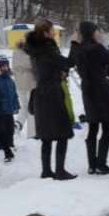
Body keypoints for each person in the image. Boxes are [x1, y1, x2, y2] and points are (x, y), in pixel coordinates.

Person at [24, 20, 78, 180]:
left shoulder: (36, 49)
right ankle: (60, 171)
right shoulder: (47, 48)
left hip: (41, 93)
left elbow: (48, 67)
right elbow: (69, 63)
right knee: (62, 134)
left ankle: (46, 171)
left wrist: (58, 72)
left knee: (46, 137)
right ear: (46, 33)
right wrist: (74, 43)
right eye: (52, 30)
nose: (54, 33)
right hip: (52, 95)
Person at [70, 21, 109, 175]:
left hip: (87, 90)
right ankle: (101, 163)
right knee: (106, 128)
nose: (99, 33)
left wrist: (74, 42)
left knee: (93, 128)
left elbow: (71, 60)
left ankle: (92, 165)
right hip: (100, 90)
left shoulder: (79, 49)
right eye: (96, 31)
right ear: (91, 32)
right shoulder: (96, 48)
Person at [0, 54, 20, 162]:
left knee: (10, 128)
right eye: (2, 66)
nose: (4, 68)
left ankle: (10, 143)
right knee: (1, 129)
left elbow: (14, 94)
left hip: (9, 110)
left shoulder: (10, 80)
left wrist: (16, 105)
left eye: (6, 65)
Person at [12, 39, 37, 140]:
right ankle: (32, 133)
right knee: (32, 107)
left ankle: (17, 125)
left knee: (25, 107)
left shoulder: (15, 52)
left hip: (19, 84)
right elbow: (33, 66)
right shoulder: (29, 55)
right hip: (30, 83)